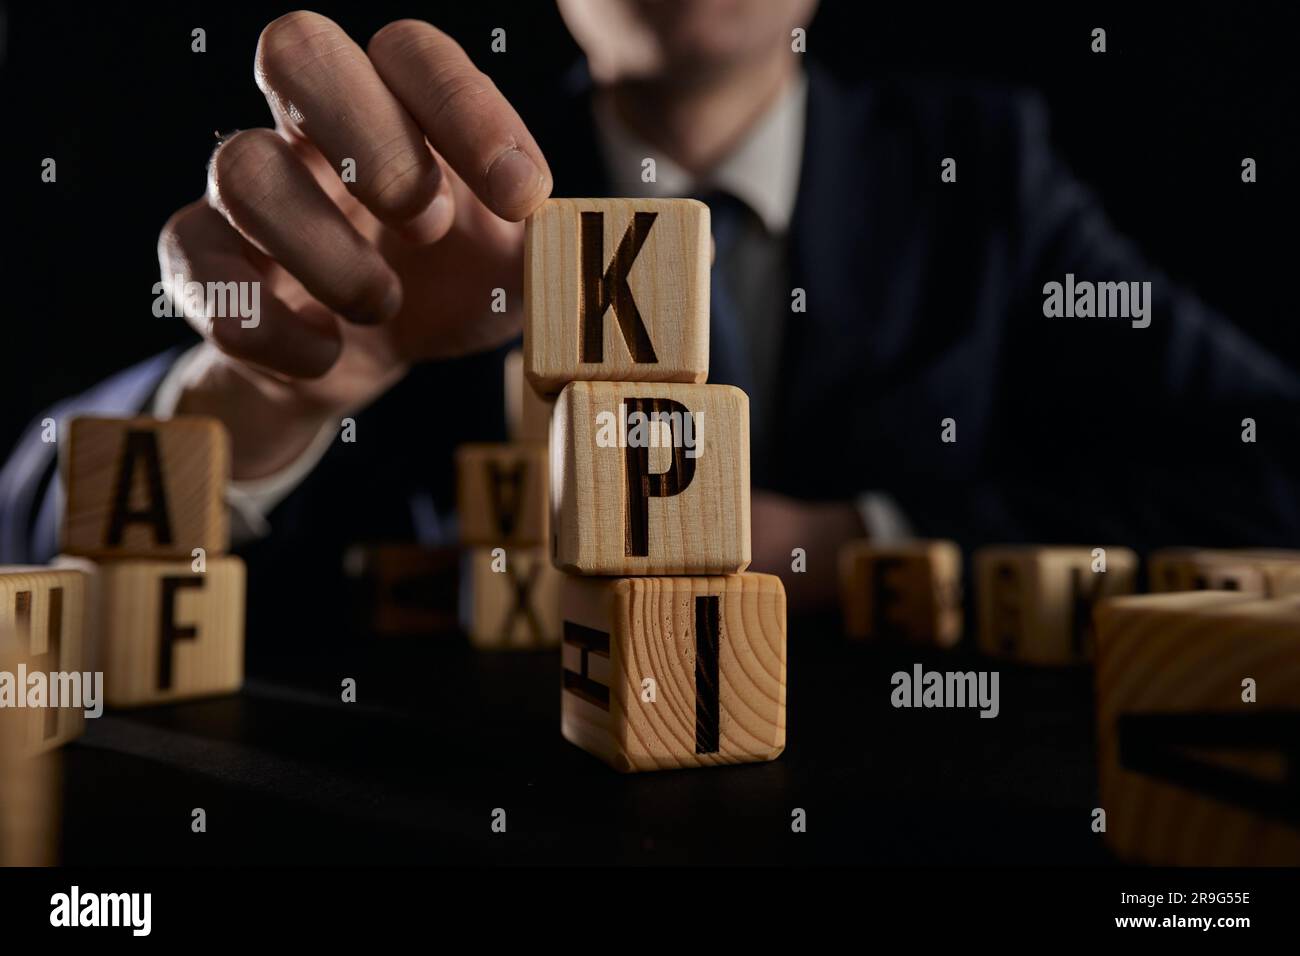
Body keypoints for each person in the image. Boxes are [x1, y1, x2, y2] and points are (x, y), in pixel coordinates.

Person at [2, 2, 1297, 644]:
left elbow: (1274, 458)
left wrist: (851, 548)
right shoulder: (417, 191)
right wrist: (260, 402)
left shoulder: (984, 170)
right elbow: (27, 539)